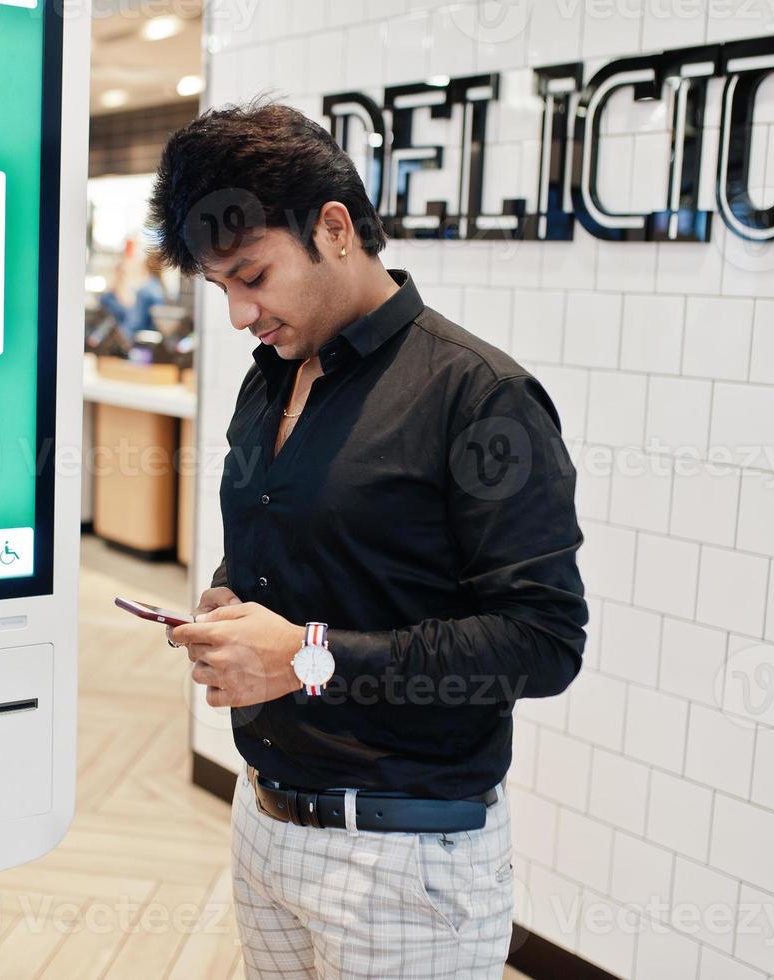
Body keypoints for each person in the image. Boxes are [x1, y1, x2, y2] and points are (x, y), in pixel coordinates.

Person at [152, 101, 588, 979]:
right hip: (265, 822)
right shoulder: (270, 379)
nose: (240, 314)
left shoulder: (478, 396)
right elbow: (292, 542)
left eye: (253, 275)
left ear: (335, 228)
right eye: (221, 289)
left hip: (404, 861)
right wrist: (235, 599)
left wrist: (306, 656)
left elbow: (543, 645)